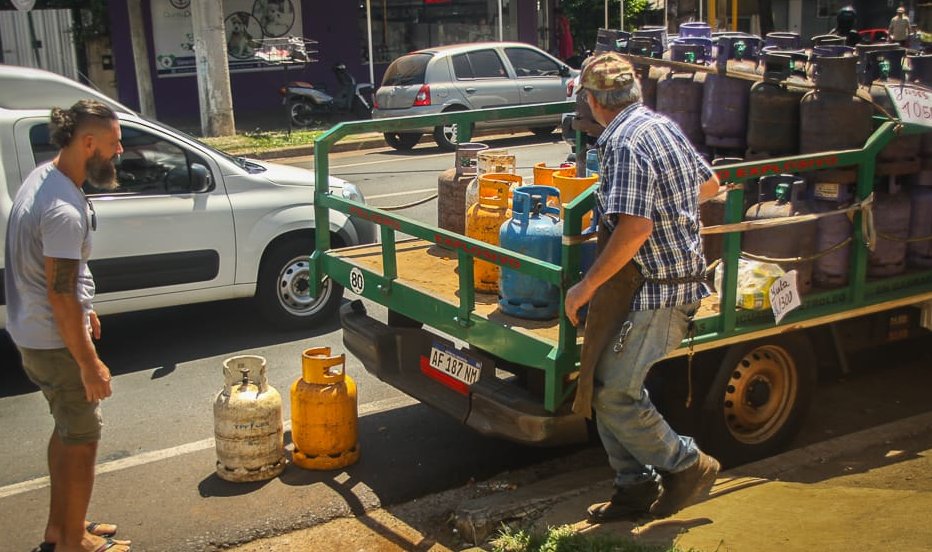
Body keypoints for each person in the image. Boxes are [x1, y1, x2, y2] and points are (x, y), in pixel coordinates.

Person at [563, 52, 722, 522]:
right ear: (634, 92)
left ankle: (688, 464)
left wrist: (585, 286)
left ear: (592, 101)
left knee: (614, 393)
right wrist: (670, 204)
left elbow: (634, 229)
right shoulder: (660, 125)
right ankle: (634, 489)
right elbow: (710, 184)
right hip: (653, 284)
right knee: (605, 382)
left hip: (660, 292)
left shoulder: (625, 144)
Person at [4, 100, 130, 552]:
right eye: (114, 144)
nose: (119, 152)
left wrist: (85, 303)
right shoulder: (62, 210)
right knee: (82, 437)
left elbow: (58, 280)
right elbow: (58, 294)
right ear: (88, 142)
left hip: (33, 332)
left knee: (67, 429)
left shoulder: (46, 177)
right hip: (53, 341)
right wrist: (89, 361)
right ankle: (73, 541)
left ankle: (62, 528)